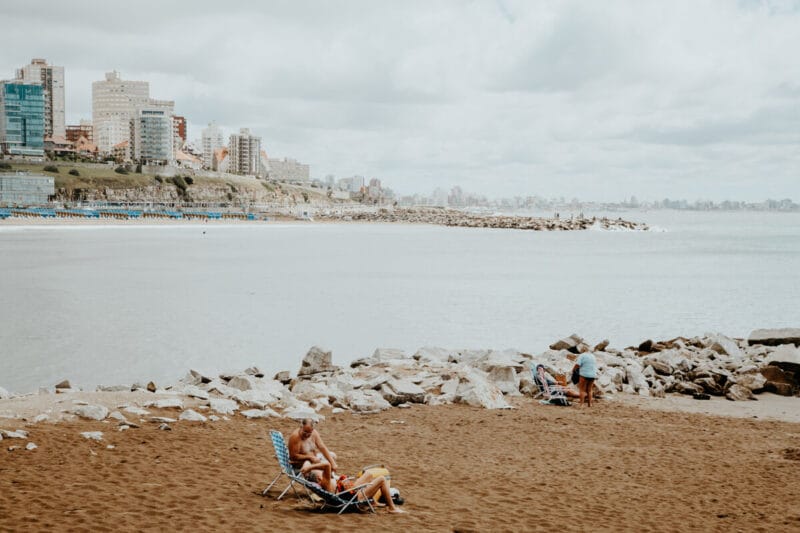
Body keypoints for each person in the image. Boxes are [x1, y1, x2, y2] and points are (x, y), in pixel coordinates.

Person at [288, 419, 338, 485]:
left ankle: (329, 477)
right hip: (301, 466)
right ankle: (326, 480)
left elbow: (322, 447)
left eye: (309, 433)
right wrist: (309, 457)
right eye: (305, 432)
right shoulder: (295, 437)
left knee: (332, 455)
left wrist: (333, 463)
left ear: (312, 430)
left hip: (314, 460)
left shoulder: (314, 433)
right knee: (320, 469)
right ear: (301, 427)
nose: (307, 435)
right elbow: (293, 456)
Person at [339, 470, 406, 514]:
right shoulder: (328, 474)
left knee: (369, 474)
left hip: (346, 491)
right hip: (350, 497)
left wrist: (342, 481)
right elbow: (327, 465)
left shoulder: (330, 477)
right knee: (382, 479)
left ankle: (372, 501)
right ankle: (392, 508)